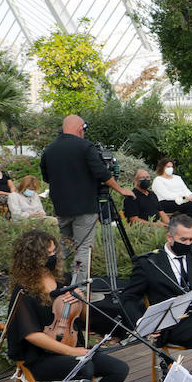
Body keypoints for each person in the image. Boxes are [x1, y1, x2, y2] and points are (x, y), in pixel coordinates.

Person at [6, 230, 129, 382]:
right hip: (40, 358)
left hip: (73, 348)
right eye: (47, 254)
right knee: (84, 368)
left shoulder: (62, 281)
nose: (52, 257)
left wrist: (80, 303)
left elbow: (77, 318)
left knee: (119, 369)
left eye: (54, 252)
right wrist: (72, 351)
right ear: (32, 258)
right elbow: (32, 335)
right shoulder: (23, 291)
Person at [39, 114, 133, 283]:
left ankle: (49, 280)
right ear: (80, 128)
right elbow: (102, 173)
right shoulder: (85, 147)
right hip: (84, 208)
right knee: (84, 248)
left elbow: (47, 177)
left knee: (66, 245)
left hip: (62, 207)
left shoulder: (49, 149)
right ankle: (79, 289)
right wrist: (120, 189)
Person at [121, 215, 192, 357]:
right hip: (173, 325)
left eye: (191, 239)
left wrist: (191, 300)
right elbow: (127, 297)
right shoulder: (149, 263)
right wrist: (143, 323)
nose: (188, 244)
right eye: (183, 239)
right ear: (169, 237)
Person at [150, 157, 192, 225]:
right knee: (191, 206)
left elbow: (185, 189)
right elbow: (167, 195)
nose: (170, 168)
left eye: (171, 167)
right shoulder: (158, 180)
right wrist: (185, 198)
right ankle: (186, 226)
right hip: (166, 202)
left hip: (182, 200)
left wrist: (191, 196)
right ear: (162, 167)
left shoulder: (177, 178)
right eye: (168, 167)